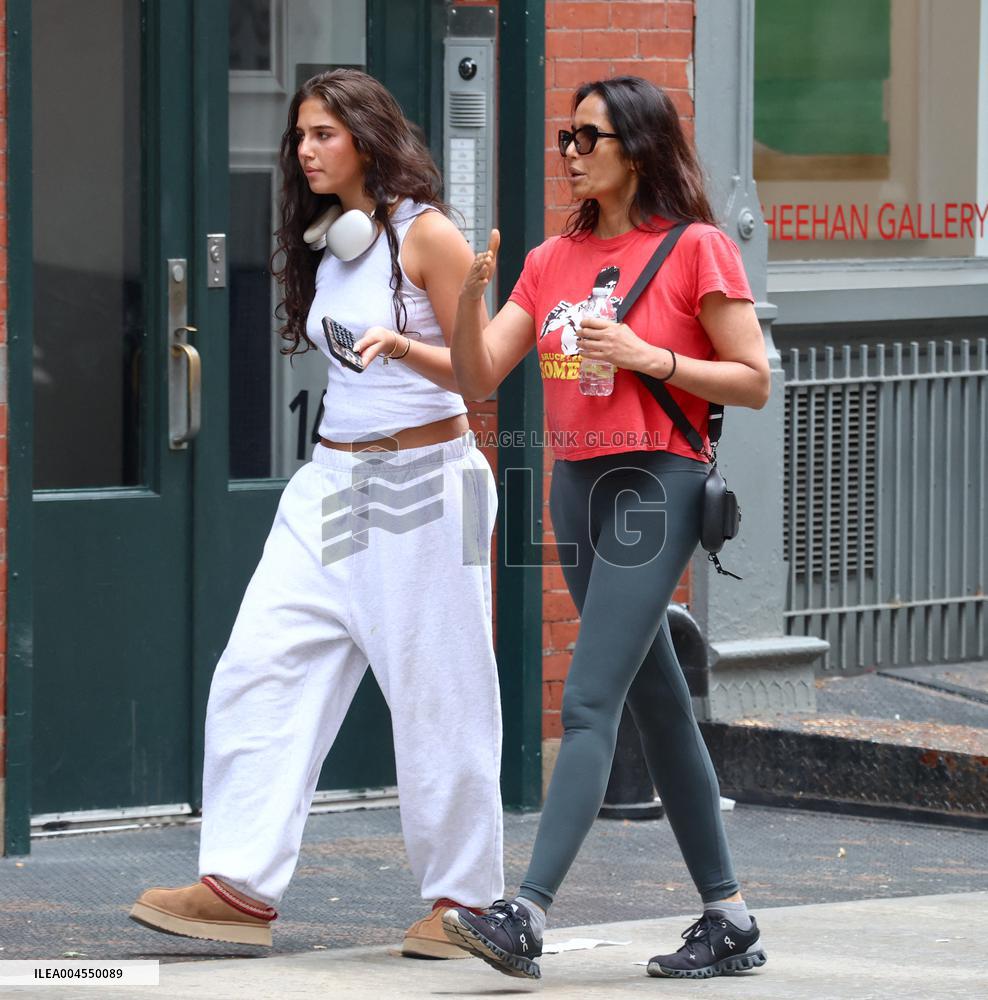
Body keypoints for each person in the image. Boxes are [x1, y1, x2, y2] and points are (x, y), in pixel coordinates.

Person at [130, 69, 504, 960]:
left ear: (369, 138)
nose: (306, 149)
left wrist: (408, 343)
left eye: (325, 133)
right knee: (261, 666)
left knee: (440, 694)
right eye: (300, 134)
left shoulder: (427, 234)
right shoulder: (334, 241)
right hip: (336, 485)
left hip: (427, 485)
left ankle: (464, 901)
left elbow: (483, 371)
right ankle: (238, 887)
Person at [441, 76, 771, 981]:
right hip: (576, 489)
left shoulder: (696, 248)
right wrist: (468, 298)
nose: (573, 152)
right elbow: (480, 375)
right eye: (566, 138)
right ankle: (730, 918)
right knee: (660, 704)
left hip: (656, 482)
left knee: (588, 700)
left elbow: (753, 379)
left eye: (589, 137)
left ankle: (527, 914)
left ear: (639, 146)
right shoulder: (551, 259)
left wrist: (650, 356)